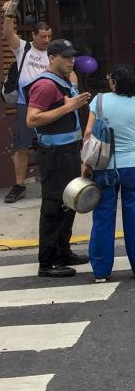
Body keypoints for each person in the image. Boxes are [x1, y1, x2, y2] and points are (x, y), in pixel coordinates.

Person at [24, 39, 91, 278]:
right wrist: (69, 106)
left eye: (72, 56)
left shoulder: (63, 80)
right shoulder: (45, 85)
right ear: (52, 58)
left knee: (69, 202)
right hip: (54, 155)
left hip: (69, 152)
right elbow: (32, 120)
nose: (71, 60)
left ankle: (63, 251)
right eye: (65, 57)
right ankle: (48, 261)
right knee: (53, 206)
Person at [84, 64, 135, 282]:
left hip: (104, 166)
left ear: (115, 82)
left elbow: (88, 133)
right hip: (133, 165)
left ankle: (101, 272)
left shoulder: (100, 101)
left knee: (103, 218)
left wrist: (86, 163)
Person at [3, 0, 60, 204]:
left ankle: (50, 183)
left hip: (50, 106)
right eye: (43, 36)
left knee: (50, 145)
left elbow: (67, 72)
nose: (46, 40)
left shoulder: (55, 54)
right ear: (34, 35)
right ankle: (19, 185)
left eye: (49, 36)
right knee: (21, 146)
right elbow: (8, 35)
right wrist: (9, 15)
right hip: (25, 105)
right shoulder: (24, 48)